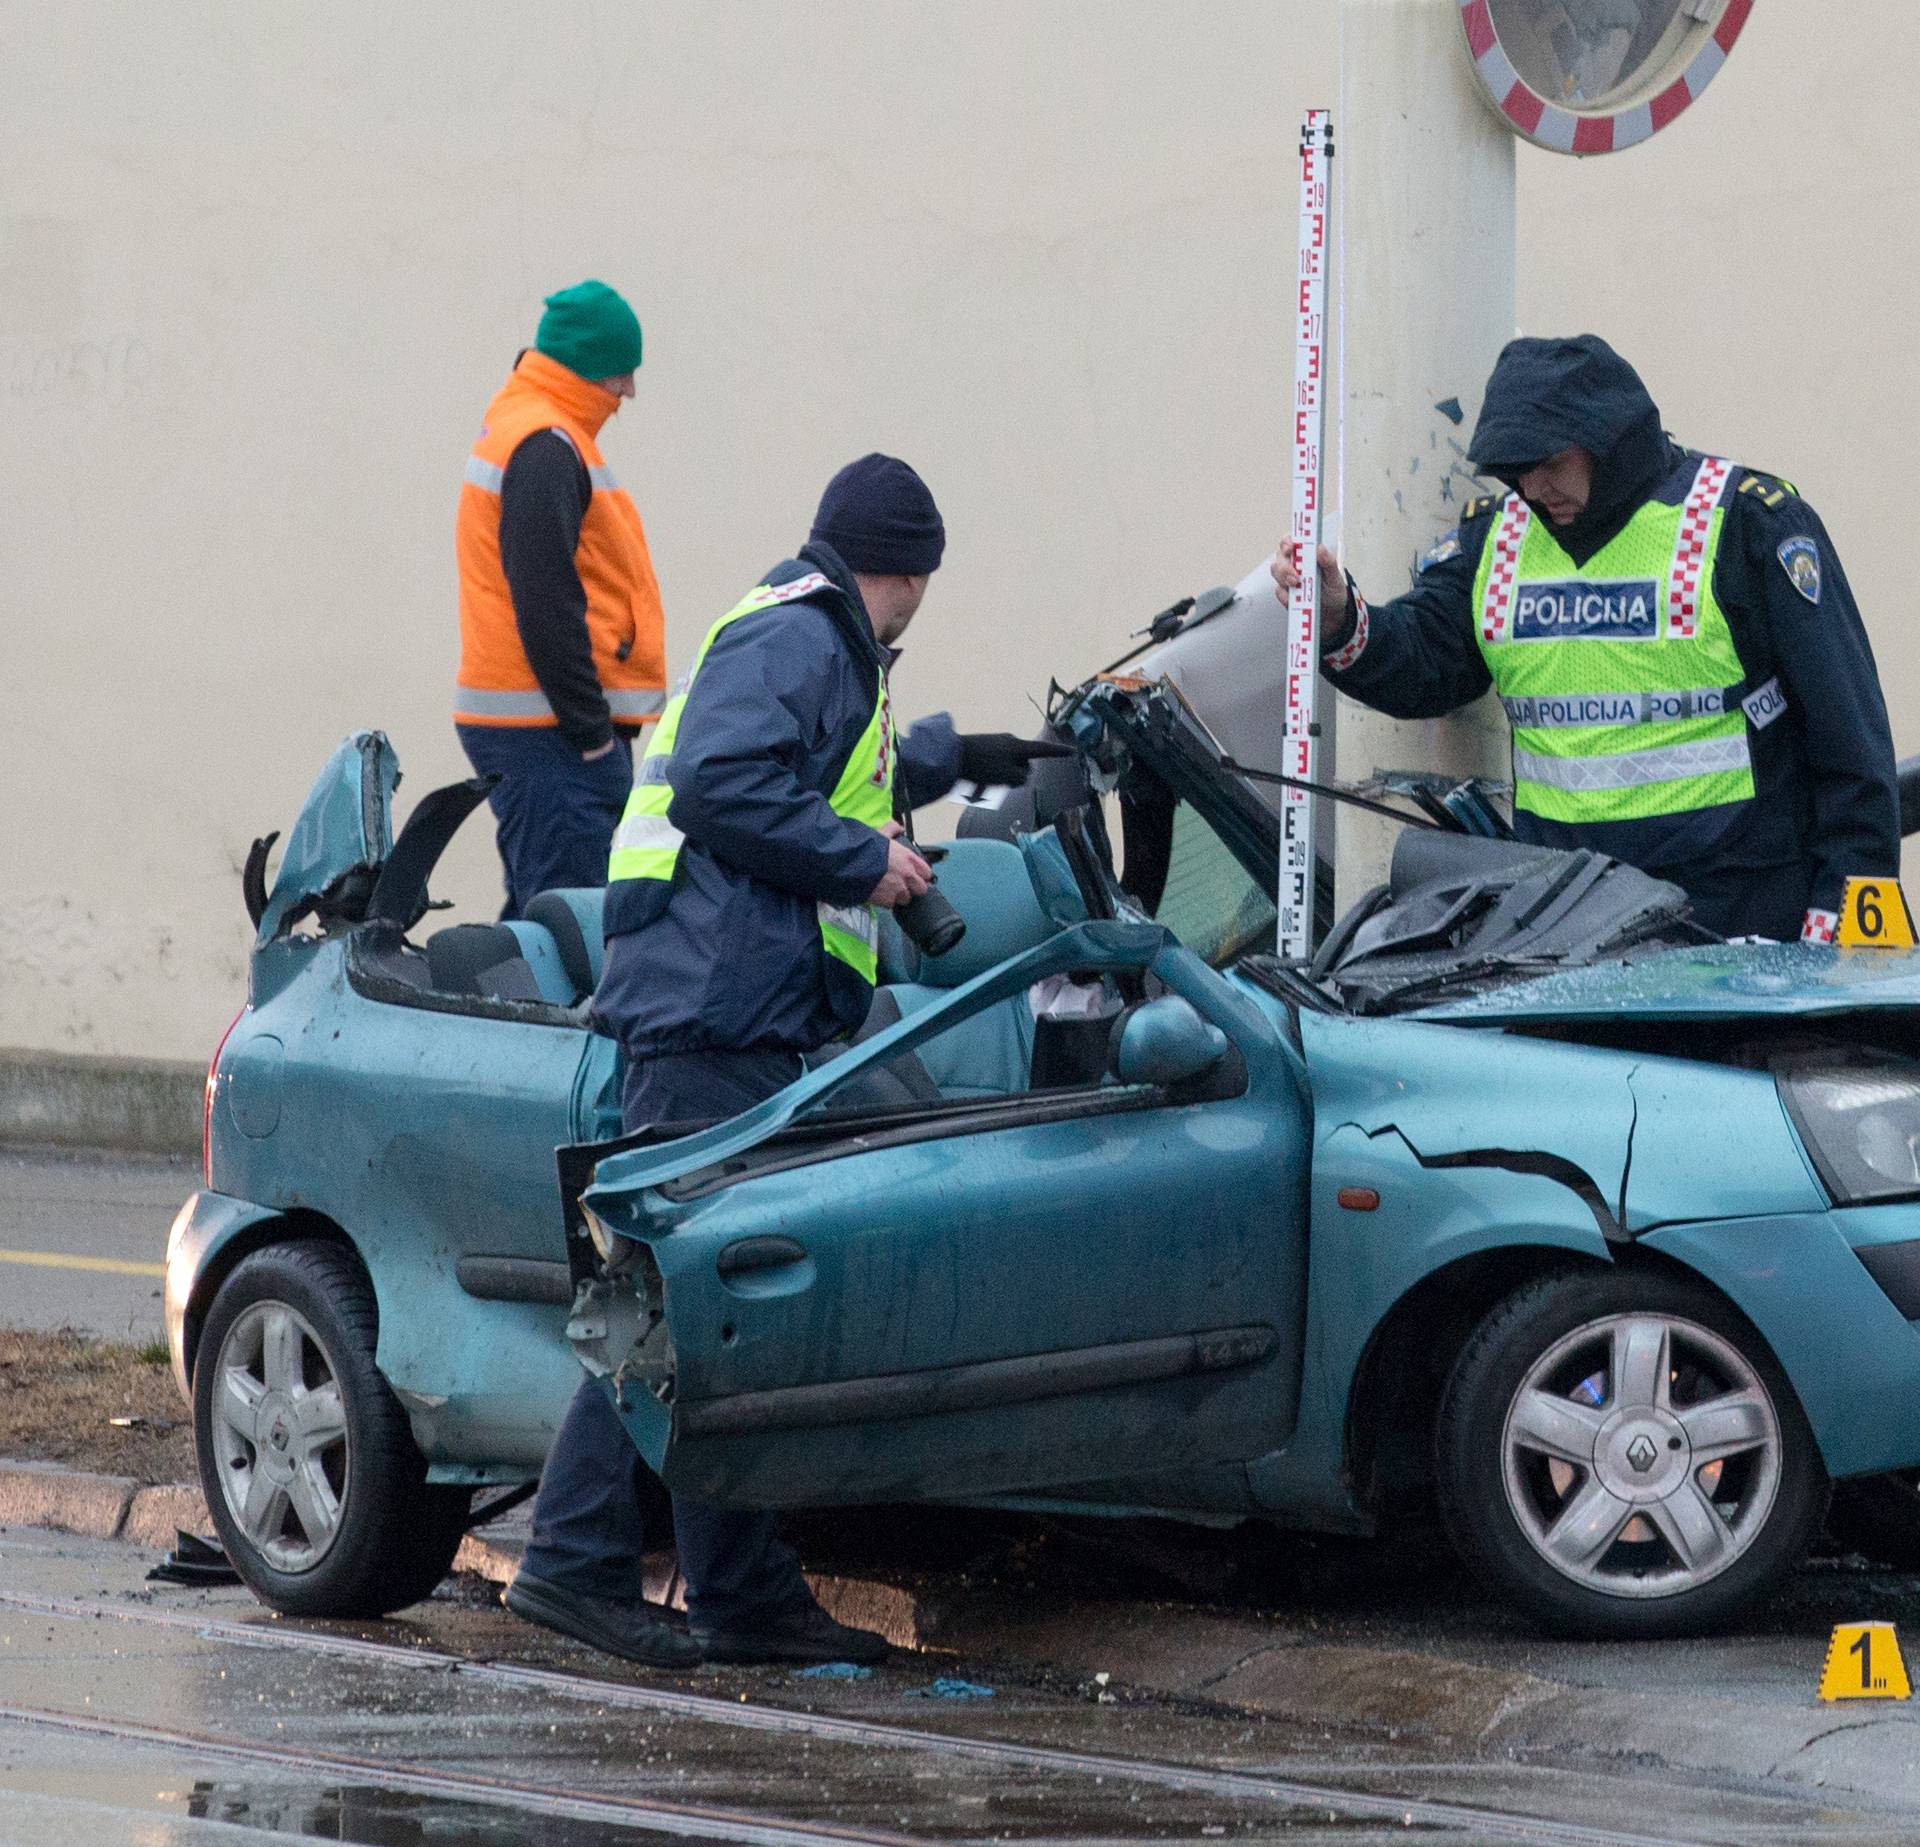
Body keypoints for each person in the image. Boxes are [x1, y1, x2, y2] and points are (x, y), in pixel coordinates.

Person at [505, 454, 1064, 1667]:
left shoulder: (798, 634)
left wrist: (945, 752)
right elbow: (722, 781)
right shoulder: (809, 638)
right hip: (717, 1010)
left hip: (723, 1002)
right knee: (667, 1308)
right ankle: (574, 1562)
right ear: (909, 571)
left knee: (720, 1307)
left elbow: (807, 769)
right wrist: (860, 862)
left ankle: (742, 1593)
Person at [1273, 334, 1898, 942]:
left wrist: (1839, 919)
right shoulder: (1497, 540)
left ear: (1611, 444)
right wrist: (1339, 621)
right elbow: (1424, 658)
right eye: (1518, 471)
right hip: (1567, 923)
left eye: (1552, 464)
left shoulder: (1745, 522)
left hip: (1738, 923)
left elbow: (1849, 744)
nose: (1535, 489)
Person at [454, 280, 667, 918]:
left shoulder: (535, 432)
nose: (628, 391)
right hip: (551, 732)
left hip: (543, 728)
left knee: (540, 919)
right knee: (570, 932)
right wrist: (592, 735)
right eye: (619, 374)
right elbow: (547, 604)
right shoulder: (546, 447)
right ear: (583, 369)